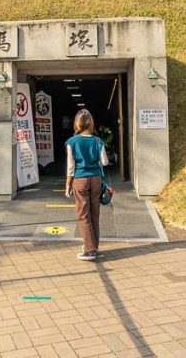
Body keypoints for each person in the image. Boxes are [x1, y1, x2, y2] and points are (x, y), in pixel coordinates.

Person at [64, 108, 113, 261]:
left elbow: (71, 167)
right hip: (96, 179)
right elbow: (104, 162)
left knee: (83, 215)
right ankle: (93, 246)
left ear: (77, 123)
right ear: (91, 123)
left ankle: (89, 249)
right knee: (94, 215)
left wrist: (67, 185)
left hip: (80, 180)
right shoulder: (98, 141)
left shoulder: (72, 142)